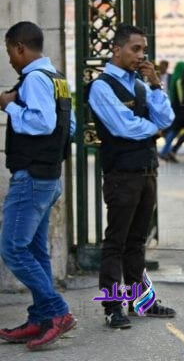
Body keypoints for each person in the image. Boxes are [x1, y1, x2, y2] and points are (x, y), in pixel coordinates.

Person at [88, 24, 177, 328]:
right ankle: (113, 306)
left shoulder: (140, 84)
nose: (141, 55)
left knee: (137, 241)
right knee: (116, 241)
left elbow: (166, 117)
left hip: (146, 170)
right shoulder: (101, 86)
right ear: (117, 49)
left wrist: (155, 83)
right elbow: (122, 126)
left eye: (144, 49)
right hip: (121, 174)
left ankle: (141, 300)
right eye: (135, 48)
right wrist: (155, 129)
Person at [0, 21, 77, 350]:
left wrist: (9, 105)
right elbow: (68, 127)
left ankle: (57, 312)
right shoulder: (57, 79)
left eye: (9, 53)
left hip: (32, 177)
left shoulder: (34, 80)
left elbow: (43, 122)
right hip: (48, 176)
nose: (9, 61)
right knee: (35, 250)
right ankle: (40, 318)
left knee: (12, 248)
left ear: (19, 48)